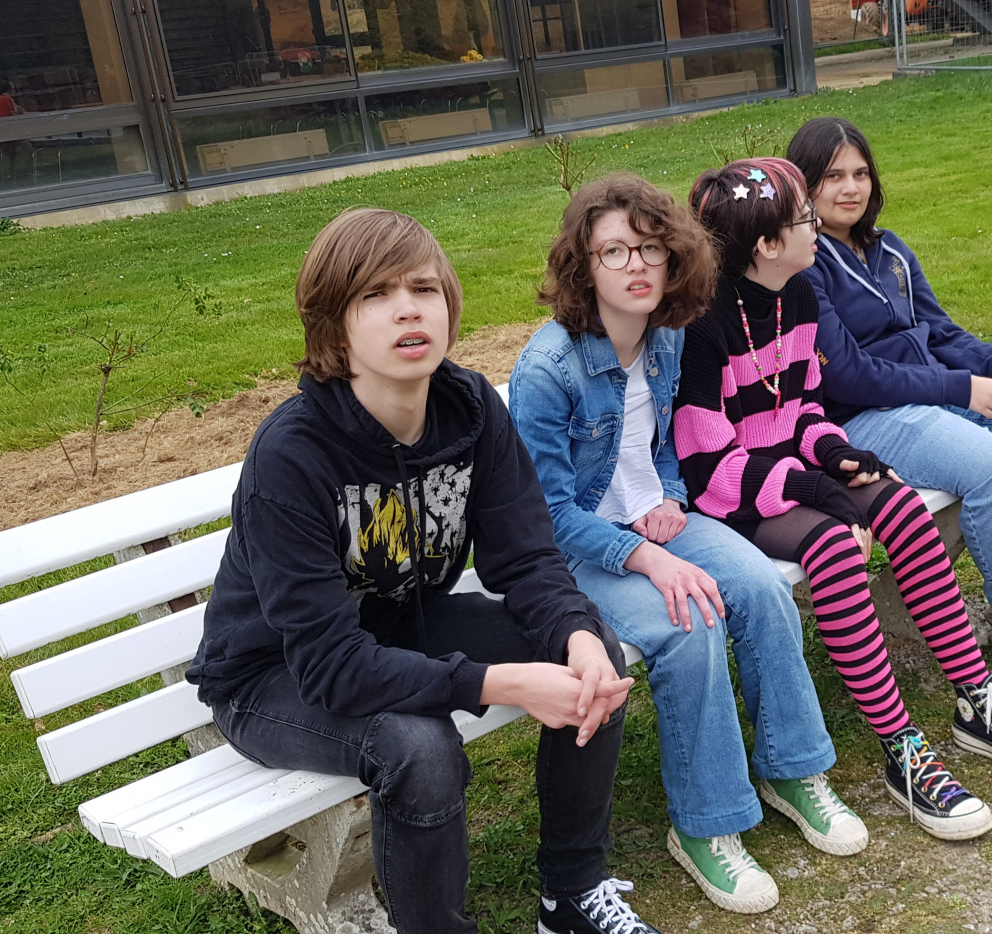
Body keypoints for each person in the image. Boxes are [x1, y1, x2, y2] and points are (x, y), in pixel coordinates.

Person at [185, 208, 658, 934]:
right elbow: (331, 667)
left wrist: (576, 638)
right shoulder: (293, 454)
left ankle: (571, 893)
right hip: (275, 676)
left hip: (399, 623)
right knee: (419, 748)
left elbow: (527, 558)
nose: (408, 308)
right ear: (335, 328)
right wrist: (501, 683)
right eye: (375, 295)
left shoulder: (469, 410)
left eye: (424, 288)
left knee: (591, 649)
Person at [676, 158, 992, 843]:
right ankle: (902, 748)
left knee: (905, 511)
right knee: (833, 545)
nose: (816, 229)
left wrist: (834, 453)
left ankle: (977, 702)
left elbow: (803, 408)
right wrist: (817, 487)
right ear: (766, 244)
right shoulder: (703, 326)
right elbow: (708, 464)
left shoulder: (796, 295)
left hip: (794, 472)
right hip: (733, 494)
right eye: (804, 219)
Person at [510, 174, 868, 915]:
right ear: (584, 265)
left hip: (657, 522)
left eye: (651, 249)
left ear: (675, 257)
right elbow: (546, 515)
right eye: (614, 252)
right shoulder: (549, 370)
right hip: (580, 548)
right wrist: (645, 555)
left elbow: (665, 443)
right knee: (690, 622)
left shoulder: (666, 336)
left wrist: (670, 499)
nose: (636, 266)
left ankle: (792, 770)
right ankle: (707, 825)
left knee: (762, 589)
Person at [787, 116, 992, 690]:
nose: (850, 188)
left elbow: (939, 331)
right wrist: (960, 388)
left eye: (860, 173)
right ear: (804, 184)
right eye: (832, 176)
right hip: (863, 422)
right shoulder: (804, 267)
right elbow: (849, 379)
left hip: (933, 392)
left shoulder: (889, 250)